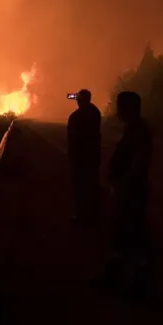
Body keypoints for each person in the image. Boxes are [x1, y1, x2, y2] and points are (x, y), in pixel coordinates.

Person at [95, 90, 153, 298]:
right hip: (127, 189)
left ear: (129, 108)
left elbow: (140, 160)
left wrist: (124, 184)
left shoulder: (139, 131)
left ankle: (136, 284)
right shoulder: (134, 129)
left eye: (120, 106)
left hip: (130, 191)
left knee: (130, 234)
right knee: (121, 234)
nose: (118, 111)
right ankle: (117, 276)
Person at [67, 88, 102, 226]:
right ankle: (93, 214)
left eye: (78, 98)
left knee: (80, 187)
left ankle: (82, 216)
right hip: (93, 156)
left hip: (80, 157)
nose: (76, 100)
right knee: (92, 185)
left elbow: (73, 137)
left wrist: (71, 154)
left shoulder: (77, 116)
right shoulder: (95, 112)